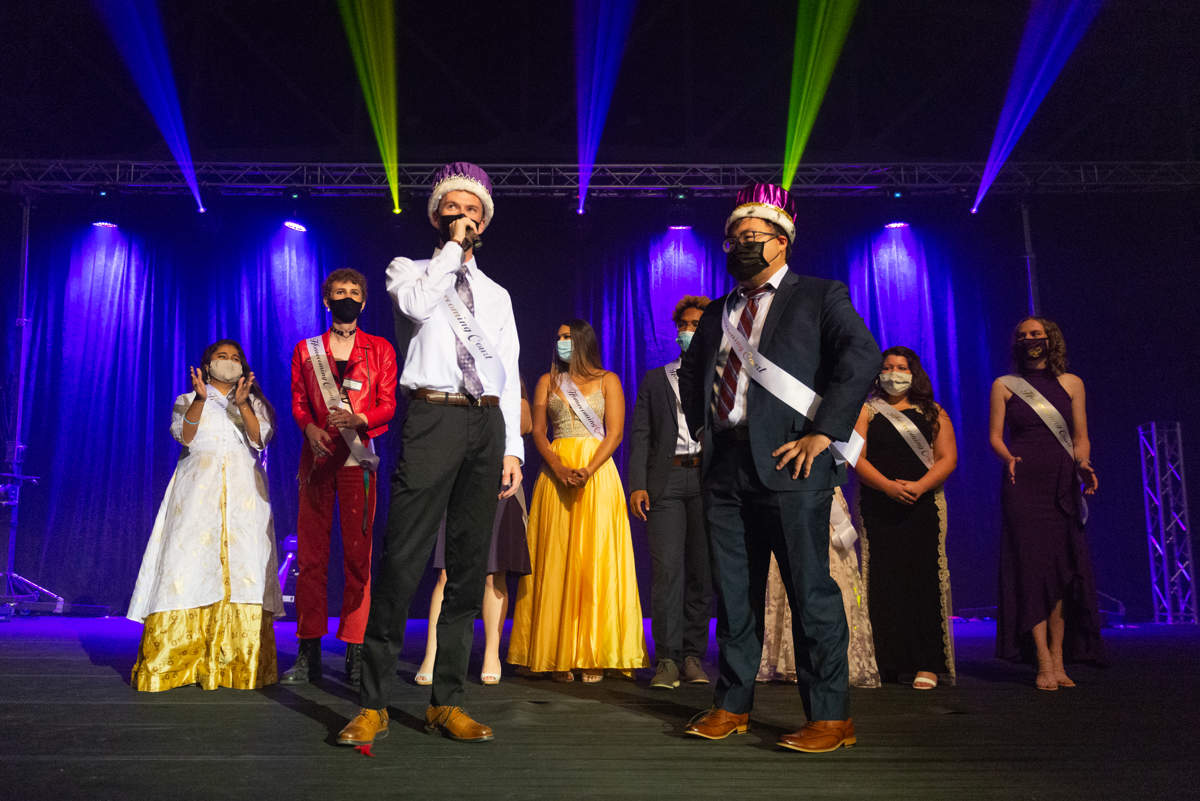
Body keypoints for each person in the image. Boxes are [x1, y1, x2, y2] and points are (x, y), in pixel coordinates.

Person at [677, 183, 879, 753]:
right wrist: (703, 429)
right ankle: (733, 704)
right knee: (735, 595)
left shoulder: (819, 296)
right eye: (734, 238)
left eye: (754, 237)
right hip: (725, 468)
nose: (741, 246)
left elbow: (861, 356)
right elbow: (694, 376)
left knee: (810, 592)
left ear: (782, 240)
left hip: (793, 465)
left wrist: (823, 431)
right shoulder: (719, 311)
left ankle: (831, 717)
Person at [337, 162, 523, 747]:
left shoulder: (497, 294)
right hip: (432, 415)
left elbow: (510, 372)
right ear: (439, 216)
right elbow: (416, 309)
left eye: (474, 209)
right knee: (404, 558)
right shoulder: (409, 270)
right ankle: (373, 703)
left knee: (469, 564)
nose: (464, 215)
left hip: (486, 421)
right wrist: (450, 251)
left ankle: (447, 700)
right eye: (454, 208)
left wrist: (513, 447)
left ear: (486, 219)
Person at [127, 340, 282, 691]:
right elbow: (184, 435)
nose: (228, 363)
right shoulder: (187, 399)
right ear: (206, 364)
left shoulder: (253, 403)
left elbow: (260, 440)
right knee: (187, 566)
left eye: (234, 358)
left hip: (244, 497)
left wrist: (243, 405)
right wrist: (199, 399)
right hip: (196, 493)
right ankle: (178, 661)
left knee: (245, 569)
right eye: (221, 357)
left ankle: (236, 663)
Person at [507, 320, 649, 683]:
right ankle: (556, 652)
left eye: (566, 337)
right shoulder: (547, 382)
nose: (560, 342)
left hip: (597, 473)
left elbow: (615, 432)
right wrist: (557, 465)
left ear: (583, 340)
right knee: (555, 558)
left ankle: (593, 653)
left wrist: (588, 469)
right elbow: (538, 430)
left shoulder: (608, 380)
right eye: (557, 338)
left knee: (596, 560)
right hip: (556, 472)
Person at [284, 268, 397, 688]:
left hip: (358, 456)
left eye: (354, 292)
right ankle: (308, 649)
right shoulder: (306, 349)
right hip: (316, 457)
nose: (346, 297)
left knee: (357, 556)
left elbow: (388, 403)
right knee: (311, 558)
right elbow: (297, 400)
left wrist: (361, 417)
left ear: (364, 302)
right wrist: (309, 429)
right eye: (338, 292)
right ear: (326, 300)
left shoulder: (380, 349)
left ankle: (354, 647)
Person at [989, 317, 1104, 690]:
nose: (1029, 340)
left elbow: (1080, 436)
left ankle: (1058, 656)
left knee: (1060, 570)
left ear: (1050, 339)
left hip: (1061, 483)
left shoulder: (1072, 384)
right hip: (1022, 482)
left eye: (1035, 334)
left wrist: (1083, 465)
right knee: (1030, 568)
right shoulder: (1005, 386)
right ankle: (1041, 658)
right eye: (1022, 336)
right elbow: (994, 436)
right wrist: (1007, 457)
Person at [852, 346, 957, 689]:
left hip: (923, 505)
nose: (893, 373)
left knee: (923, 581)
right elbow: (856, 456)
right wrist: (887, 488)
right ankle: (887, 659)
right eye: (887, 367)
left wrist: (919, 486)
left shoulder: (932, 411)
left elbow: (947, 458)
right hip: (879, 504)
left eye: (901, 367)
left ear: (914, 373)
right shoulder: (866, 410)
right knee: (883, 581)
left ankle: (927, 663)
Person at [417, 382, 533, 686]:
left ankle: (491, 654)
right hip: (454, 474)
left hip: (498, 476)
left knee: (493, 572)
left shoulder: (507, 374)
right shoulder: (452, 374)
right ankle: (432, 653)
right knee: (445, 572)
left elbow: (525, 424)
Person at [628, 295, 713, 689]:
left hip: (708, 481)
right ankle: (666, 658)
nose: (689, 332)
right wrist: (639, 484)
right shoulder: (656, 378)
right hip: (667, 481)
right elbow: (641, 434)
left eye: (697, 325)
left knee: (701, 571)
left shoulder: (722, 375)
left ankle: (693, 655)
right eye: (684, 325)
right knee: (666, 572)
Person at [757, 487, 880, 689]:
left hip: (822, 492)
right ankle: (785, 660)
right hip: (784, 491)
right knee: (784, 570)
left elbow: (846, 456)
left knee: (829, 573)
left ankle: (830, 661)